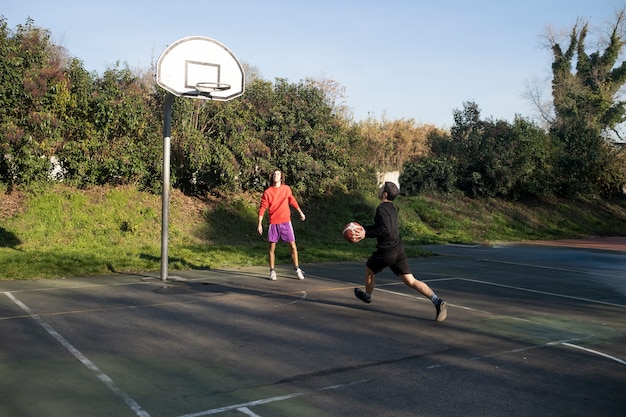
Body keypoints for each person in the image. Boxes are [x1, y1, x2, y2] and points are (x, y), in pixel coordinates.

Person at [352, 181, 448, 322]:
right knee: (410, 280)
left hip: (386, 251)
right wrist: (364, 228)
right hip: (398, 250)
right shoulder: (391, 208)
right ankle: (437, 301)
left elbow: (385, 229)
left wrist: (365, 234)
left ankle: (368, 295)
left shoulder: (381, 209)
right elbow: (382, 226)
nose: (379, 190)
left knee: (369, 269)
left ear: (384, 194)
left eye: (381, 189)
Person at [257, 169, 306, 281]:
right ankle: (272, 271)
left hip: (286, 221)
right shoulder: (268, 192)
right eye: (274, 174)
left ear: (281, 177)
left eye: (278, 174)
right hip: (274, 222)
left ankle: (297, 268)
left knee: (293, 246)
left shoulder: (286, 189)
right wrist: (259, 224)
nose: (276, 176)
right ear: (272, 177)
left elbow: (292, 200)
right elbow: (263, 208)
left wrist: (300, 212)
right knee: (272, 248)